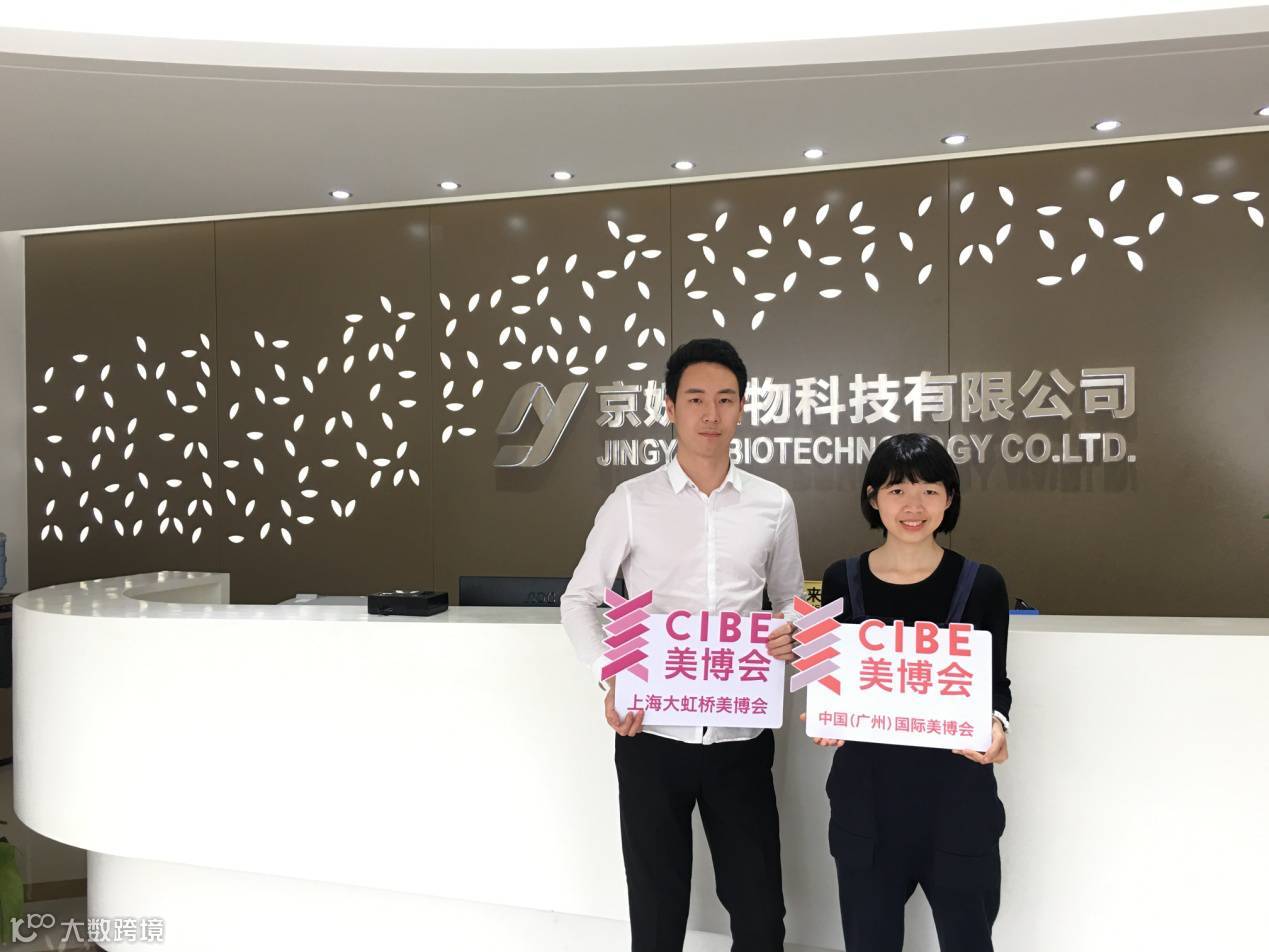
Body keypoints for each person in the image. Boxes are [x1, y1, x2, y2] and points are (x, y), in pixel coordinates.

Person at [561, 338, 803, 952]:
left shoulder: (773, 504)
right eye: (695, 399)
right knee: (656, 913)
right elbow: (579, 599)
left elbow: (790, 602)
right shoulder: (632, 501)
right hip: (651, 732)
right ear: (669, 407)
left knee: (760, 915)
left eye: (725, 399)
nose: (710, 413)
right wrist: (611, 673)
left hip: (740, 736)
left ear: (743, 407)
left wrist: (788, 633)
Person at [807, 432, 1012, 952]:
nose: (913, 506)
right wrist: (825, 712)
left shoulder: (982, 584)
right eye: (897, 491)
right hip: (866, 806)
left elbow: (995, 685)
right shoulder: (841, 580)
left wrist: (996, 726)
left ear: (949, 498)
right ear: (873, 498)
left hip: (958, 804)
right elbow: (831, 677)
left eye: (929, 490)